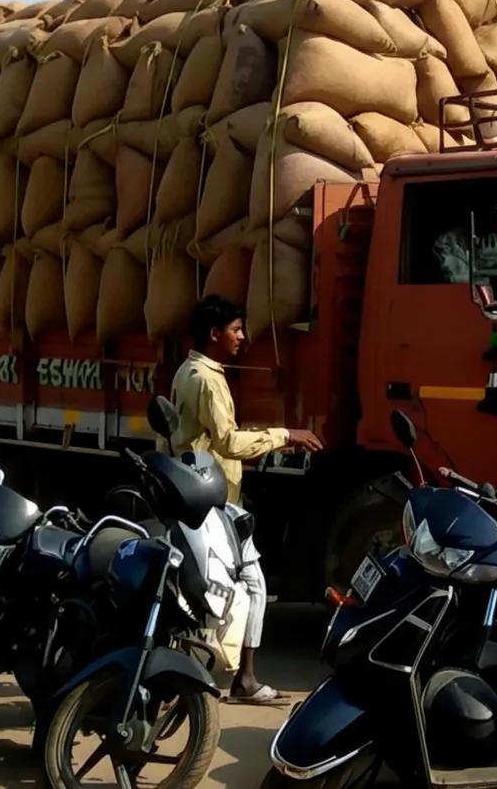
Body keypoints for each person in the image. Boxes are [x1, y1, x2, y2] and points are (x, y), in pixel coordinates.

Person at [164, 295, 323, 705]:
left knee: (207, 588)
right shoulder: (208, 379)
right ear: (215, 334)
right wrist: (284, 436)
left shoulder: (189, 370)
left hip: (206, 495)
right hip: (215, 503)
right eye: (236, 329)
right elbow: (228, 441)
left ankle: (212, 674)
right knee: (251, 585)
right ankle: (243, 680)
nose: (242, 337)